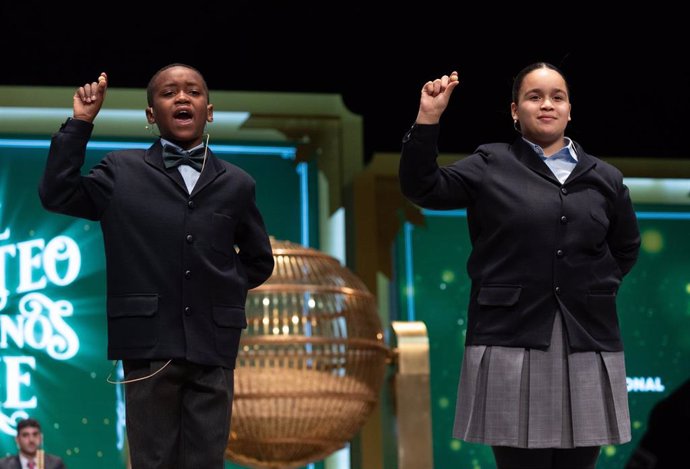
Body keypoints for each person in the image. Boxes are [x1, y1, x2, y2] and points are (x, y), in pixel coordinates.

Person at [399, 63, 641, 469]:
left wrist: (594, 286)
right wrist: (428, 118)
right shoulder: (490, 162)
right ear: (515, 110)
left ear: (569, 109)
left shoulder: (606, 178)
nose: (546, 104)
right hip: (510, 335)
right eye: (534, 97)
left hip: (587, 337)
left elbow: (626, 247)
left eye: (557, 97)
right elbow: (422, 187)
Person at [38, 63, 275, 469]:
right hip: (147, 344)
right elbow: (58, 193)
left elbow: (258, 260)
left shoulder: (237, 183)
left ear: (209, 110)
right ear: (151, 114)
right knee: (153, 461)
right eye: (169, 93)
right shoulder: (121, 171)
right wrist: (80, 123)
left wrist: (219, 290)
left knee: (205, 461)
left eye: (193, 92)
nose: (182, 98)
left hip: (212, 344)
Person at [0, 418, 66, 469]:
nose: (31, 440)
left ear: (41, 438)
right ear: (17, 439)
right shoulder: (3, 466)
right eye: (25, 435)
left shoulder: (55, 464)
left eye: (35, 434)